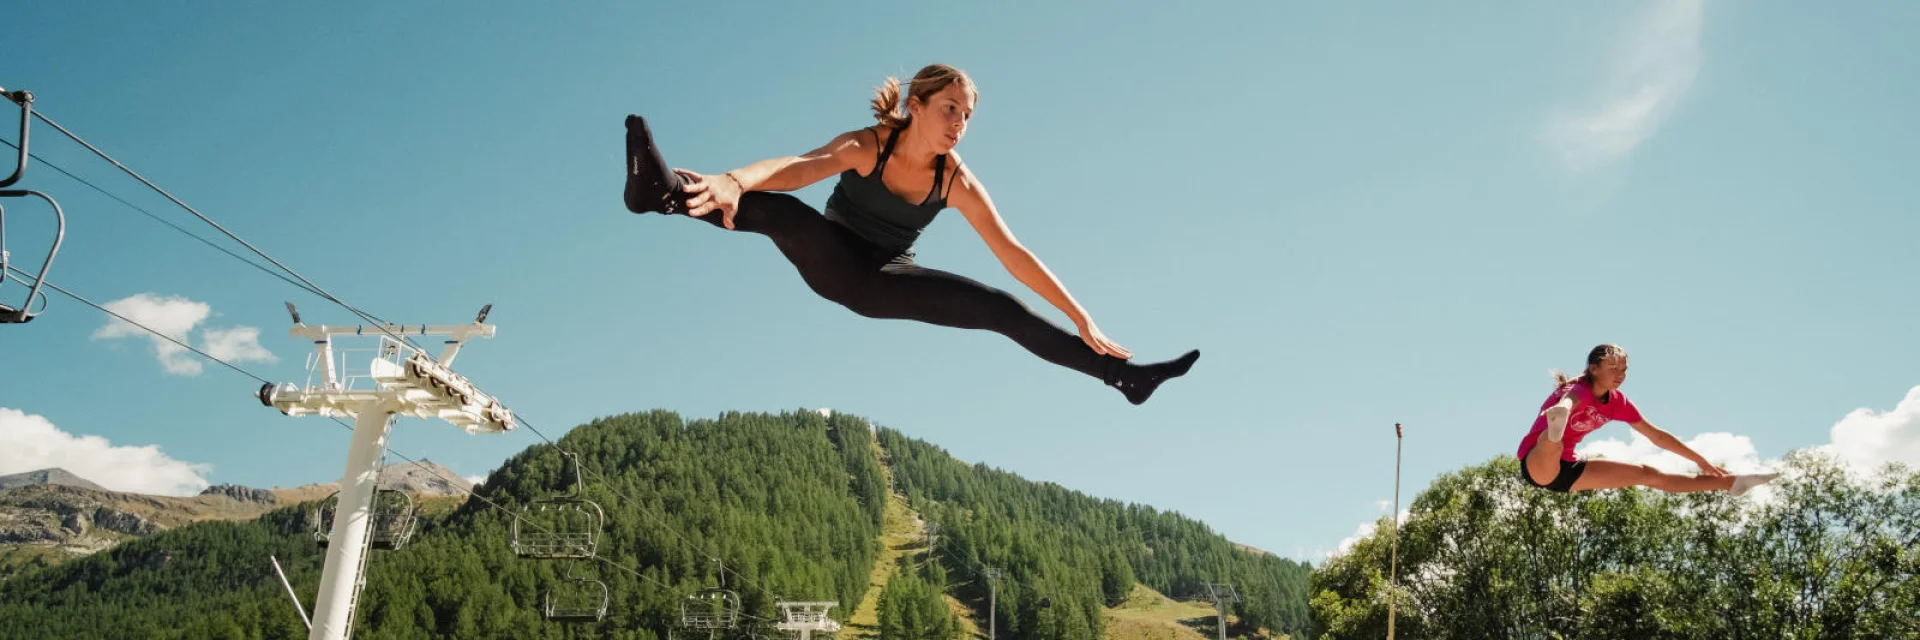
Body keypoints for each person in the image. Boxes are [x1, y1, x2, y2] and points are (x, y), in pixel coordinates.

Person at [620, 63, 1199, 405]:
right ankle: (666, 195)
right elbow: (800, 167)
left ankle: (1123, 377)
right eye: (950, 108)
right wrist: (732, 180)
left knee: (1001, 307)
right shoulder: (871, 143)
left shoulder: (956, 181)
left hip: (885, 280)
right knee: (785, 212)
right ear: (916, 106)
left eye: (967, 116)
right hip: (833, 258)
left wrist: (1082, 317)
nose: (959, 124)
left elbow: (1012, 253)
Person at [1517, 344, 1780, 494]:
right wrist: (1562, 408)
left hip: (1568, 472)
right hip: (1537, 465)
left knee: (1649, 474)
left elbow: (1658, 437)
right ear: (1594, 369)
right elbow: (1570, 400)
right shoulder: (1579, 390)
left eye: (1623, 369)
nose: (1619, 375)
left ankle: (1732, 483)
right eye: (1612, 369)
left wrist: (1701, 460)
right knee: (1552, 442)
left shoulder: (1617, 402)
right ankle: (1555, 428)